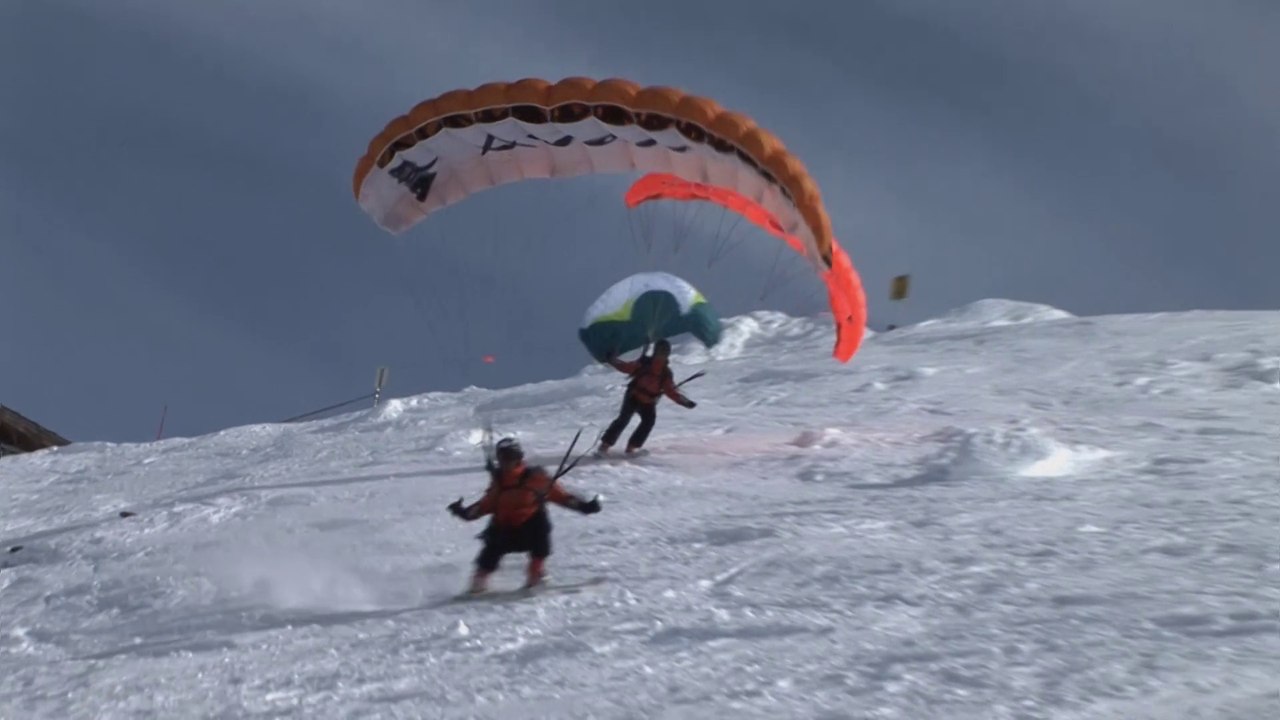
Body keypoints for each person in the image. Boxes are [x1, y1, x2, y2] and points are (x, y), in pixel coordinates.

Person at [447, 437, 601, 593]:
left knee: (541, 529)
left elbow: (562, 497)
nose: (506, 462)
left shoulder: (535, 478)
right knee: (490, 550)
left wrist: (585, 507)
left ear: (519, 458)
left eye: (510, 458)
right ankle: (478, 583)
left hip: (530, 530)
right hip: (504, 530)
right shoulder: (498, 482)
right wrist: (464, 513)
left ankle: (535, 575)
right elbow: (485, 505)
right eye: (502, 458)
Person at [598, 338, 697, 455]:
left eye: (664, 351)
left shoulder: (665, 373)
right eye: (660, 351)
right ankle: (604, 447)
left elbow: (670, 391)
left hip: (648, 402)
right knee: (623, 419)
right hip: (633, 396)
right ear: (655, 351)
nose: (662, 354)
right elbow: (626, 367)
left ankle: (631, 448)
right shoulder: (645, 364)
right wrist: (613, 361)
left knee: (648, 422)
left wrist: (685, 402)